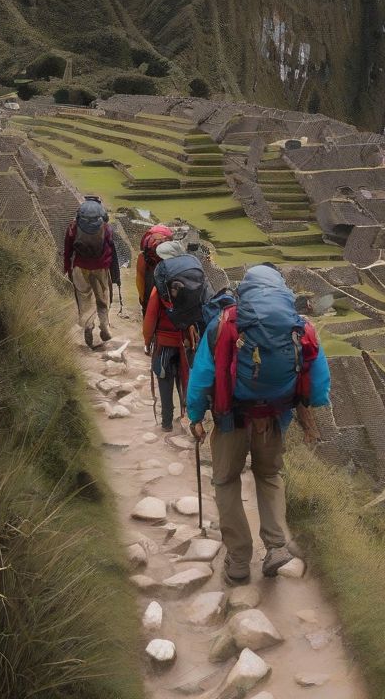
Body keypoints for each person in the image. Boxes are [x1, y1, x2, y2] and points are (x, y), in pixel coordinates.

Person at [186, 265, 330, 585]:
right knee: (269, 476)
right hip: (273, 420)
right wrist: (300, 411)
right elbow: (319, 388)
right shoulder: (300, 326)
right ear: (281, 290)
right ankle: (276, 548)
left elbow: (201, 377)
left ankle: (238, 559)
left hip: (230, 420)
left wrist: (195, 415)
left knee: (226, 481)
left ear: (245, 291)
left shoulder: (224, 323)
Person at [143, 240, 194, 433]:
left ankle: (166, 422)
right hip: (185, 340)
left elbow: (151, 316)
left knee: (164, 378)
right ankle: (186, 418)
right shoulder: (191, 283)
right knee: (185, 377)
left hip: (164, 342)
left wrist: (147, 340)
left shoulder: (161, 286)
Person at [63, 195, 120, 349]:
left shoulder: (73, 227)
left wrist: (67, 268)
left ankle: (88, 326)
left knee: (84, 299)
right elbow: (111, 248)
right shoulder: (106, 228)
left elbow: (67, 250)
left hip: (80, 268)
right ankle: (104, 326)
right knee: (102, 298)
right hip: (101, 268)